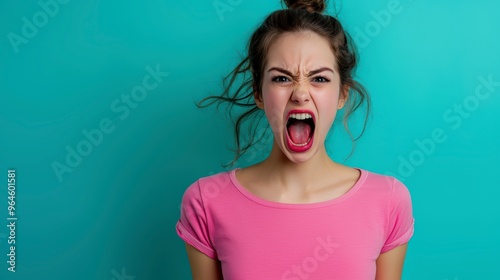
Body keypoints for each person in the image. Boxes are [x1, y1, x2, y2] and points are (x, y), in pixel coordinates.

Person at [176, 0, 415, 279]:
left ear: (342, 94)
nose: (300, 94)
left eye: (320, 79)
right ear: (258, 93)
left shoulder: (388, 201)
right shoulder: (206, 202)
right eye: (281, 79)